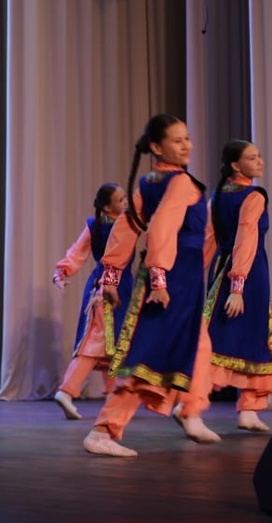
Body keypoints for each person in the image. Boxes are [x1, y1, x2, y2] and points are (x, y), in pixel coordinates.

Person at [84, 114, 218, 457]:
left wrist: (111, 276)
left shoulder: (150, 182)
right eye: (177, 140)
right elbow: (158, 228)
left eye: (187, 138)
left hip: (183, 276)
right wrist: (158, 278)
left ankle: (191, 410)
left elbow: (127, 227)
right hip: (171, 277)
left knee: (199, 344)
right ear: (157, 147)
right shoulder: (180, 183)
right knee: (147, 357)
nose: (186, 145)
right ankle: (103, 430)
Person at [186, 140, 272, 431]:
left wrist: (194, 275)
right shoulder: (253, 196)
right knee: (238, 337)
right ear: (236, 165)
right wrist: (238, 287)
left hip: (225, 269)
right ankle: (194, 402)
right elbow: (245, 238)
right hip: (247, 272)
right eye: (252, 158)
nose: (260, 162)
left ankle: (249, 408)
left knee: (243, 336)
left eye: (259, 156)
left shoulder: (218, 196)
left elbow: (207, 241)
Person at [51, 183, 134, 420]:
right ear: (107, 207)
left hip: (114, 286)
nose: (126, 202)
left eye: (125, 198)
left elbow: (76, 252)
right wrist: (62, 272)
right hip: (107, 289)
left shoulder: (100, 225)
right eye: (121, 200)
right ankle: (67, 390)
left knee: (114, 343)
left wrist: (62, 273)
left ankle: (114, 396)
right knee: (96, 342)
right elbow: (82, 253)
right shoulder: (116, 226)